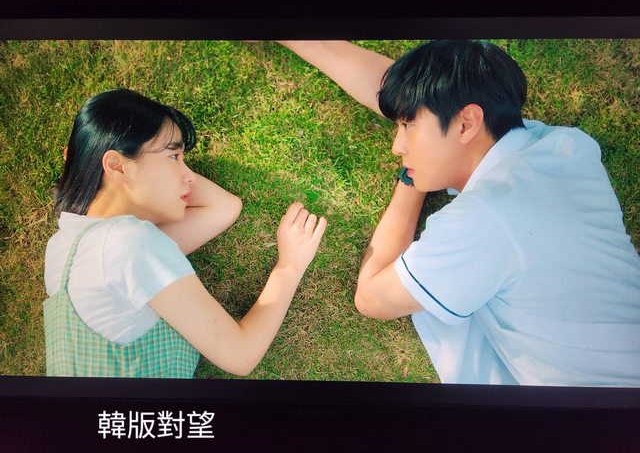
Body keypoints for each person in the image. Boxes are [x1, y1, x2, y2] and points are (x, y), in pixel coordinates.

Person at [277, 40, 640, 386]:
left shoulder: (481, 221)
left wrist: (411, 181)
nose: (396, 146)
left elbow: (372, 298)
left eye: (407, 126)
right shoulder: (567, 146)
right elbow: (423, 103)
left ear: (466, 123)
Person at [44, 88, 327, 378]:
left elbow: (222, 208)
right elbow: (241, 354)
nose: (189, 175)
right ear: (117, 166)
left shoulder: (64, 247)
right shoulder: (131, 244)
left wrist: (89, 166)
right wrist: (290, 266)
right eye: (174, 156)